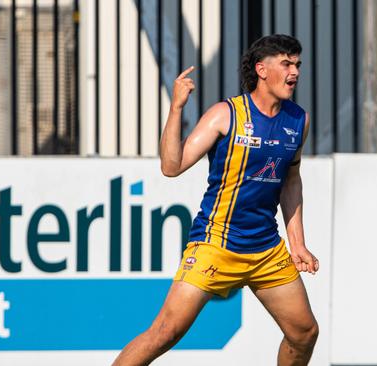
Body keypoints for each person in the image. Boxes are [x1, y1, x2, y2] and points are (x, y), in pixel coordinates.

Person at [112, 34, 319, 366]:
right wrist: (177, 106)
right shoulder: (226, 114)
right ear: (261, 69)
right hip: (216, 244)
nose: (294, 72)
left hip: (265, 248)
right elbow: (171, 166)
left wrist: (298, 244)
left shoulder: (298, 120)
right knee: (165, 332)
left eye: (297, 64)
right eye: (286, 64)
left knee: (304, 333)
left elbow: (290, 180)